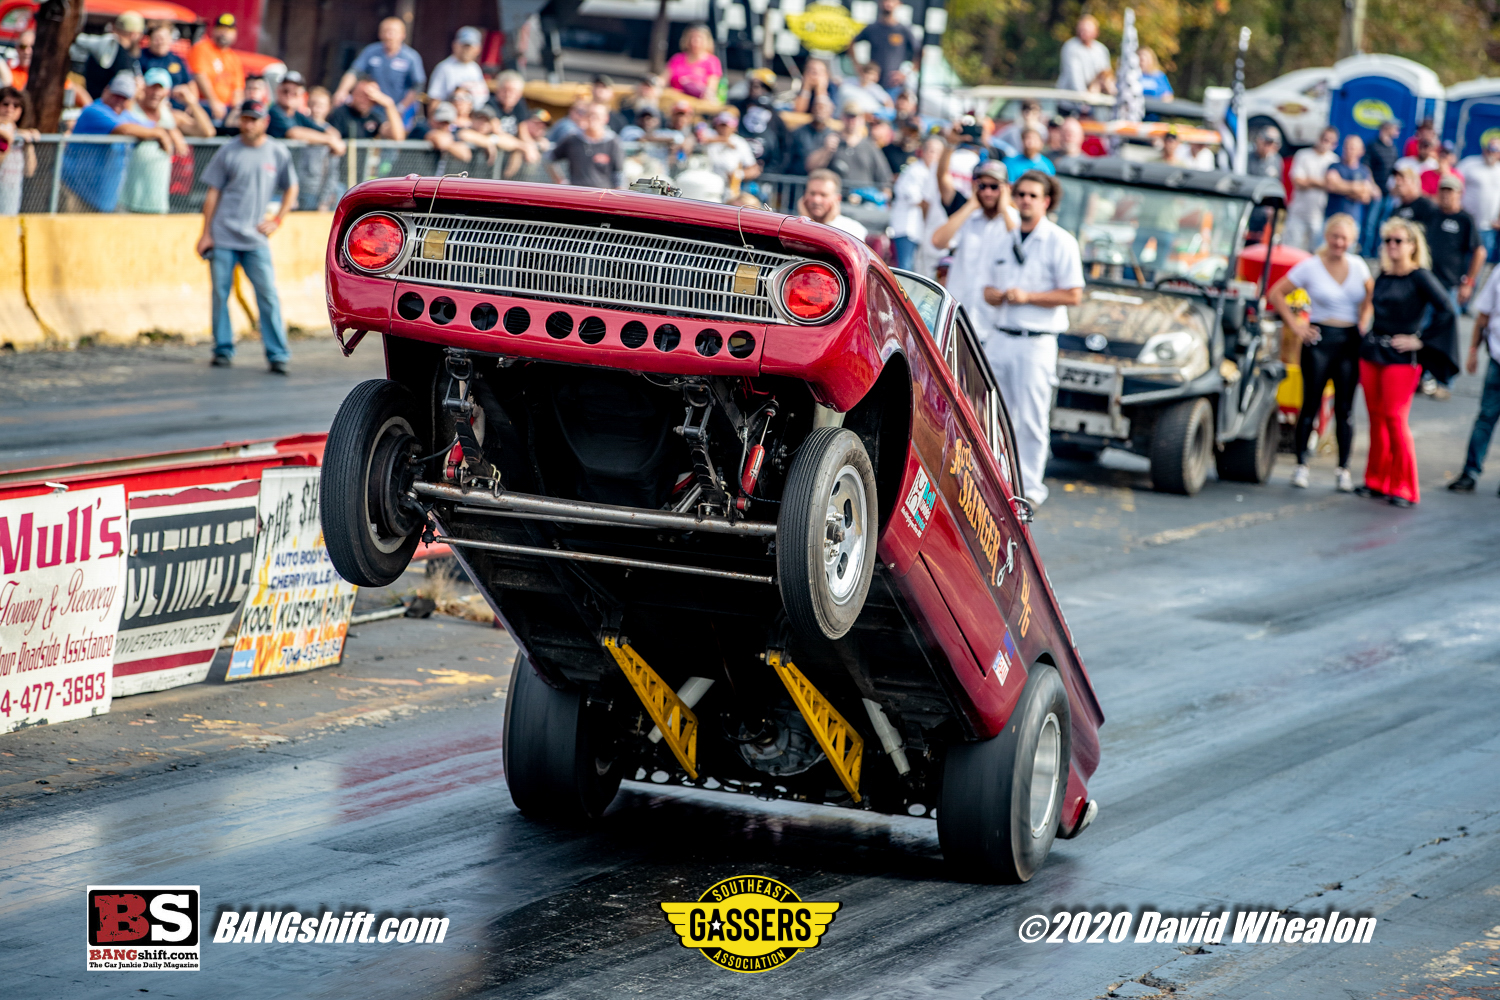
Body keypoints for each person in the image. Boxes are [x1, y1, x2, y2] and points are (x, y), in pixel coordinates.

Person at [981, 170, 1085, 506]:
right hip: (1001, 334)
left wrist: (1029, 297)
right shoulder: (1002, 238)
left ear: (1046, 201)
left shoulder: (1060, 241)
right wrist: (995, 295)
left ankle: (1028, 489)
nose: (1025, 200)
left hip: (1036, 340)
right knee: (990, 413)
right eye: (1021, 194)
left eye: (1032, 195)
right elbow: (986, 288)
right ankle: (995, 480)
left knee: (1030, 417)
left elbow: (1073, 295)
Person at [1356, 217, 1457, 506]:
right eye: (1388, 241)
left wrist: (1421, 340)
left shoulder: (1420, 276)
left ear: (1412, 245)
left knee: (1394, 418)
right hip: (1374, 351)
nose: (1392, 246)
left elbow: (1447, 310)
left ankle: (1404, 486)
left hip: (1402, 357)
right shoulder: (1384, 275)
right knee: (1376, 418)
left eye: (1398, 241)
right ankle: (1376, 480)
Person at [1268, 215, 1372, 492]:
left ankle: (1343, 469)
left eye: (1344, 238)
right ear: (1327, 237)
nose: (1339, 243)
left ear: (1352, 241)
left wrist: (1364, 321)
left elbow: (1371, 297)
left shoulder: (1359, 267)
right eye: (1334, 236)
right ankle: (1301, 464)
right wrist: (1297, 325)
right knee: (1309, 404)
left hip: (1349, 340)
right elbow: (1276, 292)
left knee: (1345, 409)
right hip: (1319, 338)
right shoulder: (1311, 267)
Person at [195, 101, 297, 374]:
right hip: (224, 234)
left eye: (254, 119)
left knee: (268, 295)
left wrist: (277, 220)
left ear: (265, 122)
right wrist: (206, 234)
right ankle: (223, 348)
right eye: (245, 118)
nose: (248, 124)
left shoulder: (277, 152)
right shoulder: (228, 151)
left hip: (255, 239)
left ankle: (278, 354)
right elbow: (212, 194)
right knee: (220, 293)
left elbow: (291, 188)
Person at [60, 72, 171, 213]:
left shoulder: (125, 115)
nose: (119, 100)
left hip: (103, 201)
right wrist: (158, 134)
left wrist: (166, 132)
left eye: (124, 97)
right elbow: (124, 129)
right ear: (106, 91)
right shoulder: (94, 110)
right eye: (116, 95)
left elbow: (152, 126)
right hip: (74, 191)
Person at [930, 161, 1016, 327]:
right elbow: (938, 241)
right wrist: (971, 204)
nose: (988, 192)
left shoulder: (1012, 219)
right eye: (982, 186)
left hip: (993, 321)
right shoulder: (969, 215)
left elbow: (1021, 250)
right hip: (960, 316)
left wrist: (1005, 209)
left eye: (994, 186)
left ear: (1006, 188)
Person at [1447, 264, 1500, 493]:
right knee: (1486, 416)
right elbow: (1484, 315)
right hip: (1497, 359)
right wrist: (1472, 351)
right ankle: (1470, 471)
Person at [121, 68, 188, 214]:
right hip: (128, 200)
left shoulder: (168, 115)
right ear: (145, 87)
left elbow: (208, 132)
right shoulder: (132, 107)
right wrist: (162, 133)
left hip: (157, 202)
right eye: (152, 87)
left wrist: (192, 103)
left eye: (160, 88)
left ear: (167, 92)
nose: (156, 92)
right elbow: (125, 120)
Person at [334, 17, 424, 115]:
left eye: (393, 32)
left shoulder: (411, 57)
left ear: (403, 35)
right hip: (372, 109)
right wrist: (342, 91)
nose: (389, 35)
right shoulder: (371, 51)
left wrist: (401, 108)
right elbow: (354, 72)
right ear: (380, 34)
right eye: (386, 31)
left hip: (399, 109)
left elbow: (417, 85)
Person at [891, 136, 945, 271]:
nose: (935, 155)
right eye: (932, 151)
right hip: (907, 228)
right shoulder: (915, 171)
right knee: (905, 269)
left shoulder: (932, 172)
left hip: (921, 231)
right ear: (924, 152)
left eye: (938, 152)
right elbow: (919, 200)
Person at [1285, 127, 1339, 250]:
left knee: (1315, 253)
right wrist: (1322, 183)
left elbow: (1332, 186)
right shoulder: (1303, 155)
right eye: (1324, 139)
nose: (1326, 143)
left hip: (1319, 216)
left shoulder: (1334, 160)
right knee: (1292, 249)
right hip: (1298, 213)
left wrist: (1309, 180)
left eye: (1331, 141)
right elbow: (1298, 181)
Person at [70, 10, 144, 100]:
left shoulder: (100, 46)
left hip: (90, 101)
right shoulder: (122, 56)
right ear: (134, 34)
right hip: (105, 104)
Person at [188, 13, 245, 125]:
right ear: (213, 30)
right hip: (205, 105)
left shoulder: (234, 58)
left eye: (229, 29)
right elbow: (200, 76)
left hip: (227, 108)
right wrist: (213, 101)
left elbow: (238, 88)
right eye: (221, 28)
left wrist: (237, 110)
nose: (225, 32)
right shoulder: (202, 48)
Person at [549, 103, 622, 189]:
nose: (592, 119)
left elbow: (619, 173)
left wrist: (618, 194)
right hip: (577, 192)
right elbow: (550, 158)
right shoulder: (573, 139)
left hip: (602, 194)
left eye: (596, 116)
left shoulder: (612, 142)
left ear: (605, 118)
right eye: (589, 115)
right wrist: (560, 180)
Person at [852, 0, 918, 94]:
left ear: (899, 4)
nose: (888, 4)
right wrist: (857, 66)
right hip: (872, 83)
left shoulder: (903, 30)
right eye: (886, 1)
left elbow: (920, 52)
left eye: (892, 1)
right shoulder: (872, 28)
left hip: (893, 84)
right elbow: (851, 43)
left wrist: (906, 74)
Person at [1323, 135, 1378, 242]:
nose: (1348, 150)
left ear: (1361, 151)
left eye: (1352, 147)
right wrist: (1357, 187)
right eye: (1346, 147)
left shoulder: (1364, 171)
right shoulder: (1334, 166)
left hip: (1353, 222)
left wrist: (1341, 186)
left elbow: (1365, 197)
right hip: (1331, 219)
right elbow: (1331, 185)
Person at [736, 69, 790, 175]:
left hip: (765, 177)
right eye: (754, 85)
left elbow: (785, 148)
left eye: (763, 87)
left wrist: (771, 172)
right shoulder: (737, 109)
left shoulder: (775, 119)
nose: (757, 90)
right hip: (736, 171)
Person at [1361, 119, 1401, 258]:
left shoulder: (1393, 148)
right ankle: (1365, 254)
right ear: (1386, 128)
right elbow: (1366, 167)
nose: (1397, 131)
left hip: (1388, 193)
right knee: (1369, 226)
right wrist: (1373, 187)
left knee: (1382, 226)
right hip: (1376, 192)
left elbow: (1394, 171)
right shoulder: (1373, 146)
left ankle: (1376, 255)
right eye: (1395, 128)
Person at [1458, 138, 1500, 266]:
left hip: (1487, 228)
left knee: (1479, 265)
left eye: (1495, 150)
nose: (1491, 153)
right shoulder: (1470, 163)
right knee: (1461, 261)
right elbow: (1454, 182)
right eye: (1489, 148)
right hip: (1466, 225)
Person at [327, 75, 405, 141]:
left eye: (369, 96)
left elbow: (398, 137)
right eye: (361, 95)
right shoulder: (339, 113)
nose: (364, 100)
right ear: (353, 93)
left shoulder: (374, 117)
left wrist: (389, 104)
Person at [796, 169, 867, 240]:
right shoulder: (791, 224)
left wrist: (829, 224)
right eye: (812, 193)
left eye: (823, 195)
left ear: (837, 199)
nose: (816, 200)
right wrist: (804, 223)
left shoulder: (853, 229)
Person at [0, 87, 37, 216]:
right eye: (5, 104)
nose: (9, 109)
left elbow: (29, 171)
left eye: (15, 106)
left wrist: (29, 144)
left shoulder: (21, 135)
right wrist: (6, 141)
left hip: (12, 193)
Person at [426, 26, 486, 104]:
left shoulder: (475, 68)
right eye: (463, 46)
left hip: (473, 114)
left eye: (469, 47)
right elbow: (434, 99)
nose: (466, 50)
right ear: (455, 45)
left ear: (478, 49)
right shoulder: (444, 68)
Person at [701, 108, 757, 187]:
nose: (724, 128)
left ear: (734, 127)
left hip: (727, 186)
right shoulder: (709, 133)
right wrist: (724, 140)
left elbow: (753, 169)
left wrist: (738, 175)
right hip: (705, 182)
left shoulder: (740, 142)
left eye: (727, 126)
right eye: (721, 125)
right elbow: (701, 138)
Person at [1057, 15, 1111, 94]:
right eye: (1081, 30)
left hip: (1093, 99)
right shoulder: (1071, 47)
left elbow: (1105, 73)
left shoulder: (1101, 49)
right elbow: (1075, 78)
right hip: (1071, 100)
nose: (1083, 34)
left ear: (1096, 32)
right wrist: (1083, 97)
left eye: (1087, 31)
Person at [665, 24, 721, 100]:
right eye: (692, 37)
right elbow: (663, 79)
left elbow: (711, 89)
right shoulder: (677, 58)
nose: (694, 41)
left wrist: (691, 84)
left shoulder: (712, 61)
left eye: (698, 38)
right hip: (674, 99)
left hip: (696, 102)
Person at [138, 21, 193, 94]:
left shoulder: (176, 59)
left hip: (176, 103)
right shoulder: (140, 57)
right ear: (149, 40)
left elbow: (190, 84)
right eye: (157, 39)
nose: (160, 42)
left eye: (163, 38)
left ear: (170, 39)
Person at [788, 96, 837, 175]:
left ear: (830, 111)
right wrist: (826, 149)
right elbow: (808, 164)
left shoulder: (833, 135)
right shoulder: (799, 133)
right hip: (798, 180)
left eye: (822, 107)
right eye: (816, 106)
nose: (818, 110)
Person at [493, 70, 529, 135]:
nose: (508, 95)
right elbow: (498, 133)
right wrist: (521, 144)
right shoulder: (492, 105)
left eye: (512, 91)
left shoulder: (519, 105)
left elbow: (523, 133)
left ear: (519, 94)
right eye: (504, 90)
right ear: (498, 90)